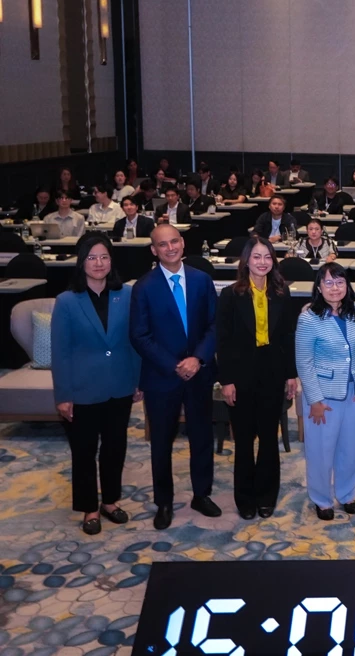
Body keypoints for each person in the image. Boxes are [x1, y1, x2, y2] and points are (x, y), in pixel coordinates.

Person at [129, 224, 221, 530]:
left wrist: (198, 358)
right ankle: (164, 502)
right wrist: (174, 365)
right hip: (161, 376)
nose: (170, 248)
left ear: (182, 243)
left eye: (174, 242)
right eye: (162, 244)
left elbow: (215, 325)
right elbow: (139, 335)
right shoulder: (143, 287)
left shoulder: (201, 280)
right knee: (161, 442)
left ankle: (201, 494)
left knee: (202, 436)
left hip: (199, 372)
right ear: (153, 250)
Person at [52, 236, 141, 535]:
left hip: (120, 385)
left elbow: (135, 341)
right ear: (81, 263)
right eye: (91, 258)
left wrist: (138, 379)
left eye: (104, 257)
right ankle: (89, 507)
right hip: (82, 389)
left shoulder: (126, 294)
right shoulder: (66, 301)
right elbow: (61, 352)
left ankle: (110, 501)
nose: (99, 263)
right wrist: (63, 394)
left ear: (111, 261)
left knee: (115, 447)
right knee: (84, 450)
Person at [216, 237, 298, 520]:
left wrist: (291, 374)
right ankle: (245, 498)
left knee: (268, 438)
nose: (262, 262)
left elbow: (287, 336)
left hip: (272, 372)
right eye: (256, 257)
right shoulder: (230, 295)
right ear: (246, 261)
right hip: (240, 375)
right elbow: (223, 341)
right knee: (243, 440)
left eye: (267, 257)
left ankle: (266, 496)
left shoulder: (282, 293)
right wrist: (226, 380)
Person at [296, 262, 355, 520]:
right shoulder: (309, 318)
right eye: (328, 282)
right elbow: (304, 362)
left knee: (351, 448)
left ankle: (347, 494)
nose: (335, 288)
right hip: (323, 396)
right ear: (319, 287)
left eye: (340, 282)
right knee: (321, 451)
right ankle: (322, 499)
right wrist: (314, 400)